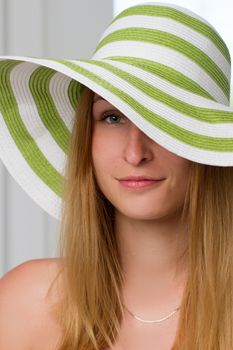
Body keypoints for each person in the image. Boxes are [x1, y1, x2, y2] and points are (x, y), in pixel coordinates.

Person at [0, 2, 233, 349]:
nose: (135, 153)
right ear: (86, 141)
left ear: (207, 147)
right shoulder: (25, 301)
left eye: (163, 121)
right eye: (112, 117)